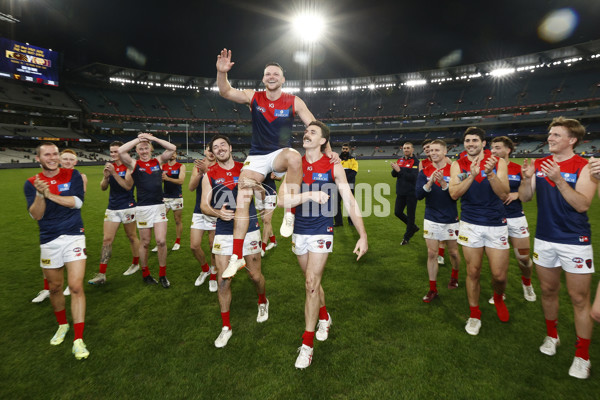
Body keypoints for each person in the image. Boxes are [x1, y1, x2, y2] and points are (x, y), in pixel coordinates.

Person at [215, 48, 336, 278]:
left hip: (280, 152)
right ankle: (237, 257)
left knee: (293, 156)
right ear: (263, 78)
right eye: (268, 74)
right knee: (242, 193)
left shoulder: (293, 101)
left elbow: (316, 126)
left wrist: (329, 151)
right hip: (258, 156)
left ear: (283, 79)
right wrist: (222, 73)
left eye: (276, 74)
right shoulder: (254, 97)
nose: (271, 77)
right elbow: (225, 91)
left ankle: (289, 212)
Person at [278, 121, 368, 369]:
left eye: (313, 132)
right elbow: (280, 200)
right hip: (299, 230)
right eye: (306, 131)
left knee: (310, 284)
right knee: (312, 282)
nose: (306, 134)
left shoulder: (332, 165)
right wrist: (308, 195)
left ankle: (307, 346)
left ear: (323, 141)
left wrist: (363, 235)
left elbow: (349, 200)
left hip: (322, 230)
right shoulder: (294, 164)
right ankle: (325, 316)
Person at [519, 117, 597, 379]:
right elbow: (526, 198)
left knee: (579, 299)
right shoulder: (540, 164)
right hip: (544, 239)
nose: (549, 138)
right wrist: (525, 179)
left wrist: (559, 180)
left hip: (574, 241)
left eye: (555, 135)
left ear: (571, 139)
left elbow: (582, 205)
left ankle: (582, 355)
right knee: (549, 291)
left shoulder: (584, 167)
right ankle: (552, 336)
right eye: (549, 134)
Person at [200, 135, 269, 348]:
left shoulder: (246, 169)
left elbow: (265, 197)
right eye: (215, 147)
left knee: (255, 276)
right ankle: (226, 327)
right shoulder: (209, 175)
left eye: (223, 145)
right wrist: (217, 213)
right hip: (223, 232)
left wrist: (257, 187)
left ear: (230, 147)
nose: (220, 149)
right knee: (223, 280)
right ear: (212, 152)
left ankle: (262, 301)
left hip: (249, 231)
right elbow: (204, 205)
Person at [24, 142, 89, 360]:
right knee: (54, 287)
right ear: (38, 159)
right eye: (47, 155)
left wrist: (50, 194)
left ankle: (78, 339)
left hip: (74, 235)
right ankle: (62, 325)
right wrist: (41, 195)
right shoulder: (31, 183)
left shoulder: (73, 175)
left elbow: (77, 202)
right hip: (49, 239)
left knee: (76, 286)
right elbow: (36, 216)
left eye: (55, 154)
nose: (52, 158)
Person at [449, 127, 510, 336]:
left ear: (483, 143)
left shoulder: (498, 162)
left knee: (499, 276)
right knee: (473, 272)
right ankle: (474, 314)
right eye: (467, 140)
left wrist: (491, 173)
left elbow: (504, 195)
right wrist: (471, 177)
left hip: (496, 223)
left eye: (475, 140)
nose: (471, 144)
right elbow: (454, 194)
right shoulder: (458, 164)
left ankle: (499, 297)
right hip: (470, 224)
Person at [118, 132, 176, 288]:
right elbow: (121, 151)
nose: (143, 151)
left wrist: (154, 139)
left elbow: (172, 148)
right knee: (144, 243)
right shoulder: (134, 164)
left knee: (161, 241)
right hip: (143, 208)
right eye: (140, 149)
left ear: (151, 149)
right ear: (137, 151)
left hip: (158, 206)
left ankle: (162, 275)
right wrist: (138, 139)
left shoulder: (158, 161)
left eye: (146, 148)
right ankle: (146, 274)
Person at [489, 136, 536, 303]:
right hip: (494, 219)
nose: (493, 151)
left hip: (515, 218)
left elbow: (528, 195)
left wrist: (518, 193)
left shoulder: (517, 168)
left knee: (523, 258)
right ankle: (499, 292)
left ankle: (527, 283)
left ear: (508, 150)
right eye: (492, 148)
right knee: (498, 263)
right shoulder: (487, 167)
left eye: (497, 147)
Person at [88, 141, 140, 285]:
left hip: (128, 207)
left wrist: (114, 174)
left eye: (116, 151)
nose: (113, 154)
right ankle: (101, 274)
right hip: (112, 208)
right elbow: (103, 188)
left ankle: (136, 263)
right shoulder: (110, 166)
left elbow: (128, 187)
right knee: (107, 240)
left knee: (131, 236)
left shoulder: (130, 166)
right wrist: (105, 177)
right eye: (111, 152)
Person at [415, 139, 461, 303]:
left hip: (450, 218)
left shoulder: (455, 170)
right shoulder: (424, 170)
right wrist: (430, 182)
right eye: (431, 150)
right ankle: (433, 288)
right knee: (432, 253)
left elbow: (457, 196)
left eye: (437, 150)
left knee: (454, 253)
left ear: (444, 151)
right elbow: (418, 195)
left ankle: (454, 275)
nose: (433, 153)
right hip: (431, 217)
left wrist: (442, 183)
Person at [189, 145, 218, 292]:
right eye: (209, 149)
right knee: (194, 245)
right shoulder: (198, 165)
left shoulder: (220, 166)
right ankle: (205, 269)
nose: (211, 152)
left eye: (214, 149)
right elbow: (191, 187)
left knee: (213, 246)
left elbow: (220, 188)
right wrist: (200, 172)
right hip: (199, 210)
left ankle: (213, 275)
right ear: (205, 151)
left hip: (214, 211)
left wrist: (208, 171)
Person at [419, 139, 451, 264]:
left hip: (445, 198)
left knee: (444, 232)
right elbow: (420, 180)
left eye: (430, 148)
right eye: (426, 148)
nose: (428, 150)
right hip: (431, 199)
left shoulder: (446, 161)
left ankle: (441, 255)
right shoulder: (423, 163)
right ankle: (435, 253)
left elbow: (453, 175)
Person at [151, 153, 186, 252]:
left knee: (177, 220)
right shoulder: (163, 166)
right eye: (171, 153)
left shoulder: (181, 166)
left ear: (176, 154)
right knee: (159, 220)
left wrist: (167, 179)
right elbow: (159, 181)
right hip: (165, 197)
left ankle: (177, 242)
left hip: (177, 197)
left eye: (174, 153)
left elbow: (181, 181)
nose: (172, 155)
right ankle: (159, 243)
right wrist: (159, 179)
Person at [391, 142, 420, 245]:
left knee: (411, 215)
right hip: (400, 192)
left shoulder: (416, 162)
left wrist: (400, 171)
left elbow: (414, 177)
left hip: (411, 193)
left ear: (412, 149)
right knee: (397, 212)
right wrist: (394, 169)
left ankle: (406, 237)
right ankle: (413, 227)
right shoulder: (400, 160)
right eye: (404, 148)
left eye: (408, 148)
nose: (406, 150)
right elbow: (394, 175)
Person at [334, 143, 358, 227]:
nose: (345, 150)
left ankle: (351, 221)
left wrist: (342, 179)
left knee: (350, 203)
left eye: (346, 149)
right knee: (336, 203)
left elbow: (353, 173)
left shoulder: (353, 160)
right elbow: (334, 172)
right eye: (343, 149)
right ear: (341, 149)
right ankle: (338, 222)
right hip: (338, 185)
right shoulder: (337, 160)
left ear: (349, 150)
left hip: (349, 185)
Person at [256, 172, 280, 257]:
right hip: (258, 193)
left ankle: (262, 248)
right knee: (264, 220)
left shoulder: (271, 163)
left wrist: (275, 177)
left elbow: (280, 178)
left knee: (267, 220)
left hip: (270, 193)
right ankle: (273, 241)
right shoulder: (255, 163)